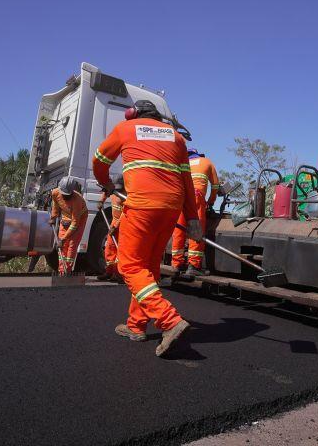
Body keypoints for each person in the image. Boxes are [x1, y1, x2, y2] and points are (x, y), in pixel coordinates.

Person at [92, 100, 200, 357]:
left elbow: (99, 161)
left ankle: (169, 321)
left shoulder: (126, 128)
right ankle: (136, 325)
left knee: (129, 266)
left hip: (142, 206)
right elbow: (186, 181)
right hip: (171, 208)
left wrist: (106, 183)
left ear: (133, 114)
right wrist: (192, 219)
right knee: (147, 268)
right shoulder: (176, 137)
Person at [170, 148, 221, 275]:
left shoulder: (182, 163)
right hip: (196, 197)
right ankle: (193, 266)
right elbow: (215, 185)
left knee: (179, 230)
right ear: (198, 155)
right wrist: (211, 201)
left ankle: (176, 264)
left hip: (180, 197)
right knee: (196, 229)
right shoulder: (206, 162)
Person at [49, 176, 88, 276]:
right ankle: (62, 271)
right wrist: (53, 217)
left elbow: (75, 223)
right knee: (61, 246)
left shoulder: (77, 200)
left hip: (79, 219)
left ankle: (68, 270)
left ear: (72, 192)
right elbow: (55, 205)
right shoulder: (55, 193)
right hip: (66, 217)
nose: (65, 197)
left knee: (71, 244)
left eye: (68, 195)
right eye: (63, 194)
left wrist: (63, 239)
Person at [97, 189, 124, 282]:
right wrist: (101, 201)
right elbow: (106, 190)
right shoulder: (113, 190)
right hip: (114, 222)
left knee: (120, 250)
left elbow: (125, 213)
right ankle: (109, 271)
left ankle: (118, 274)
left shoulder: (126, 196)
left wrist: (116, 227)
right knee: (109, 247)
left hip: (124, 224)